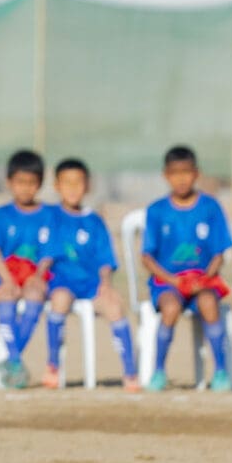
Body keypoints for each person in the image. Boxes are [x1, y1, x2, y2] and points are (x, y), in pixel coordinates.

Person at [37, 158, 139, 391]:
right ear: (56, 186)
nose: (73, 188)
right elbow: (46, 254)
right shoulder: (52, 216)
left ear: (88, 186)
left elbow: (105, 259)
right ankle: (52, 364)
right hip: (62, 282)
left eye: (78, 182)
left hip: (91, 284)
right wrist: (39, 275)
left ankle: (130, 372)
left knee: (114, 305)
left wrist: (105, 283)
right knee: (60, 300)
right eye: (67, 182)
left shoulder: (94, 221)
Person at [141, 146, 232, 392]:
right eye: (175, 173)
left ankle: (221, 372)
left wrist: (205, 277)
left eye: (186, 172)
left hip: (202, 280)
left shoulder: (210, 207)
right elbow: (147, 257)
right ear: (165, 175)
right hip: (168, 282)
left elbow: (219, 253)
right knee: (170, 308)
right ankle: (159, 371)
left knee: (209, 304)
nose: (181, 178)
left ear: (196, 174)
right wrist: (172, 280)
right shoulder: (157, 210)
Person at [0, 149, 55, 389]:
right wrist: (7, 280)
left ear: (40, 184)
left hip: (33, 277)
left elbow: (48, 253)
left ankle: (12, 359)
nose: (26, 188)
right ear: (9, 183)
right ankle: (15, 360)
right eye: (20, 182)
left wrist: (37, 277)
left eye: (32, 183)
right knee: (6, 297)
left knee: (35, 296)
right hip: (4, 276)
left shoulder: (49, 215)